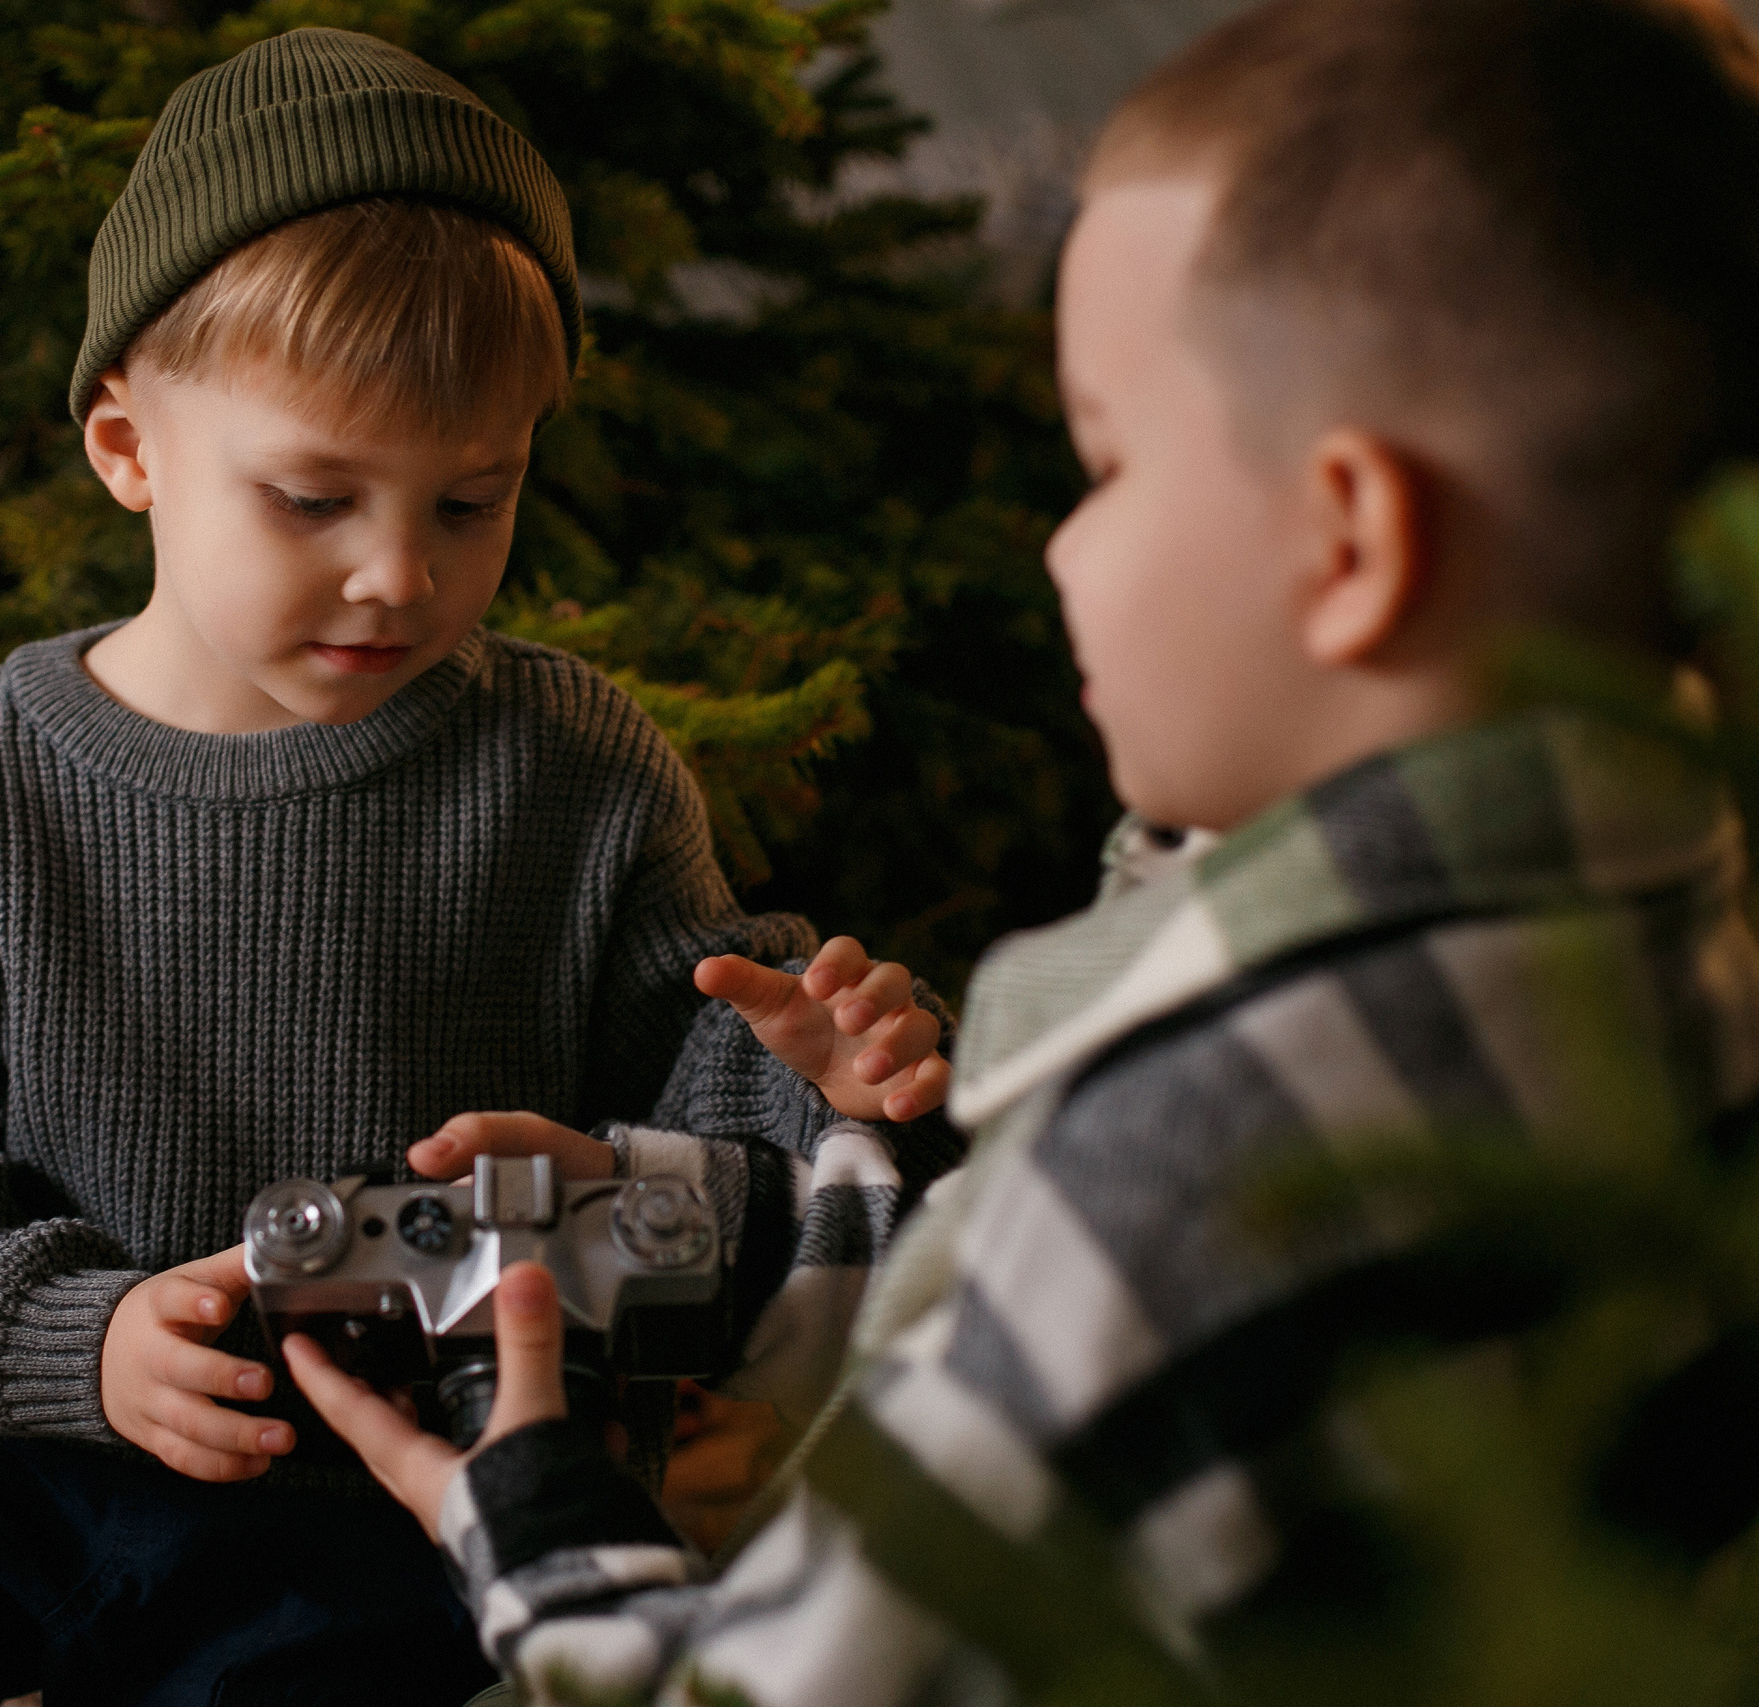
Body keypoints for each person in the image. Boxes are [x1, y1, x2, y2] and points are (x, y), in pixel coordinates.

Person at [290, 2, 1759, 1701]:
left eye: (1104, 461)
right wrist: (711, 1218)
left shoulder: (1205, 1146)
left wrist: (533, 1517)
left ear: (1350, 540)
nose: (1060, 545)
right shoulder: (1669, 941)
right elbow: (1040, 1324)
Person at [0, 27, 956, 1707]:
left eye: (472, 502)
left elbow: (702, 1214)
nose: (398, 574)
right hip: (50, 1446)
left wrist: (817, 1097)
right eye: (314, 498)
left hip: (413, 1487)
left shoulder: (576, 774)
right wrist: (75, 1341)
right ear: (128, 451)